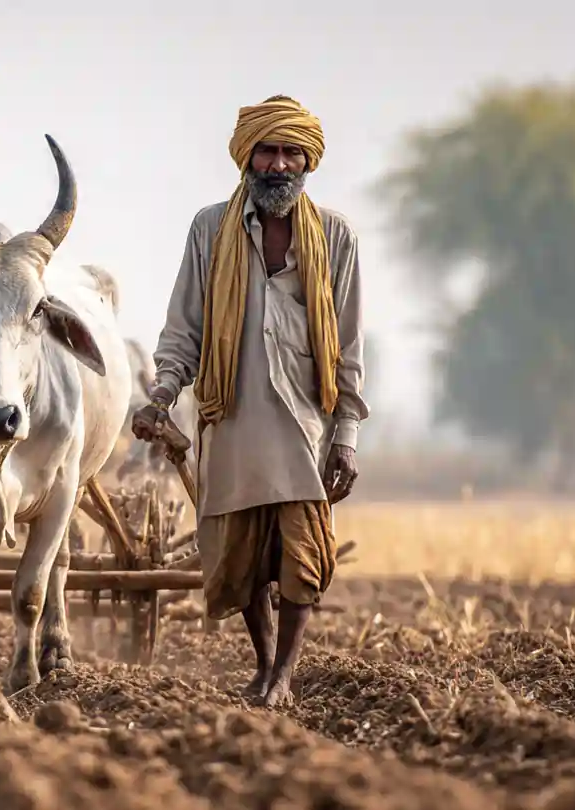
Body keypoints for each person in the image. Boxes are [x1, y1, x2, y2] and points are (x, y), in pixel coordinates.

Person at [132, 94, 368, 708]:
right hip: (232, 417)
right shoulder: (211, 229)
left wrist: (345, 435)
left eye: (291, 153)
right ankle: (264, 666)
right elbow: (184, 327)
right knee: (242, 559)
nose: (279, 164)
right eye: (268, 151)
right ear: (247, 157)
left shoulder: (335, 236)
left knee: (301, 558)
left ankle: (284, 674)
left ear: (308, 161)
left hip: (305, 423)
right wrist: (163, 394)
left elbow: (347, 345)